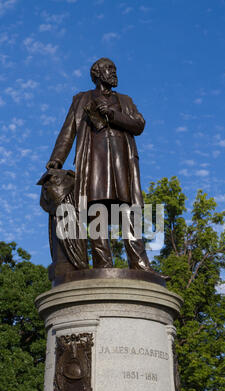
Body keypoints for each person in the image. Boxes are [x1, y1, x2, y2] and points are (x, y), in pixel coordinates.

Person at [46, 57, 151, 271]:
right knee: (96, 209)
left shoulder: (126, 101)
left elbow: (139, 124)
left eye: (114, 68)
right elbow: (68, 131)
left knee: (130, 210)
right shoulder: (81, 99)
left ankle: (140, 264)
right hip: (94, 161)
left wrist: (113, 115)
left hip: (123, 162)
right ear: (97, 73)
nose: (114, 72)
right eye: (109, 69)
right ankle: (103, 264)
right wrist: (57, 158)